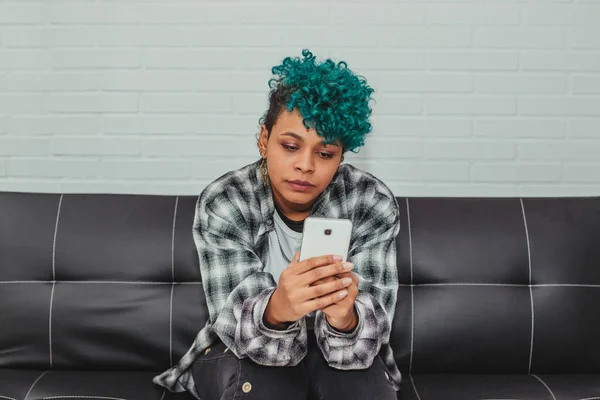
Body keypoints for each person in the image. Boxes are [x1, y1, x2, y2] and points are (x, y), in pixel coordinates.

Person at [153, 49, 401, 400]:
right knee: (267, 385)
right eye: (289, 145)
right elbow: (242, 334)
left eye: (325, 153)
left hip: (342, 356)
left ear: (341, 158)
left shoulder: (370, 201)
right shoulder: (226, 200)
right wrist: (278, 308)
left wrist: (345, 319)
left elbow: (364, 347)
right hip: (239, 347)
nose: (305, 165)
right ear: (263, 139)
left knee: (364, 389)